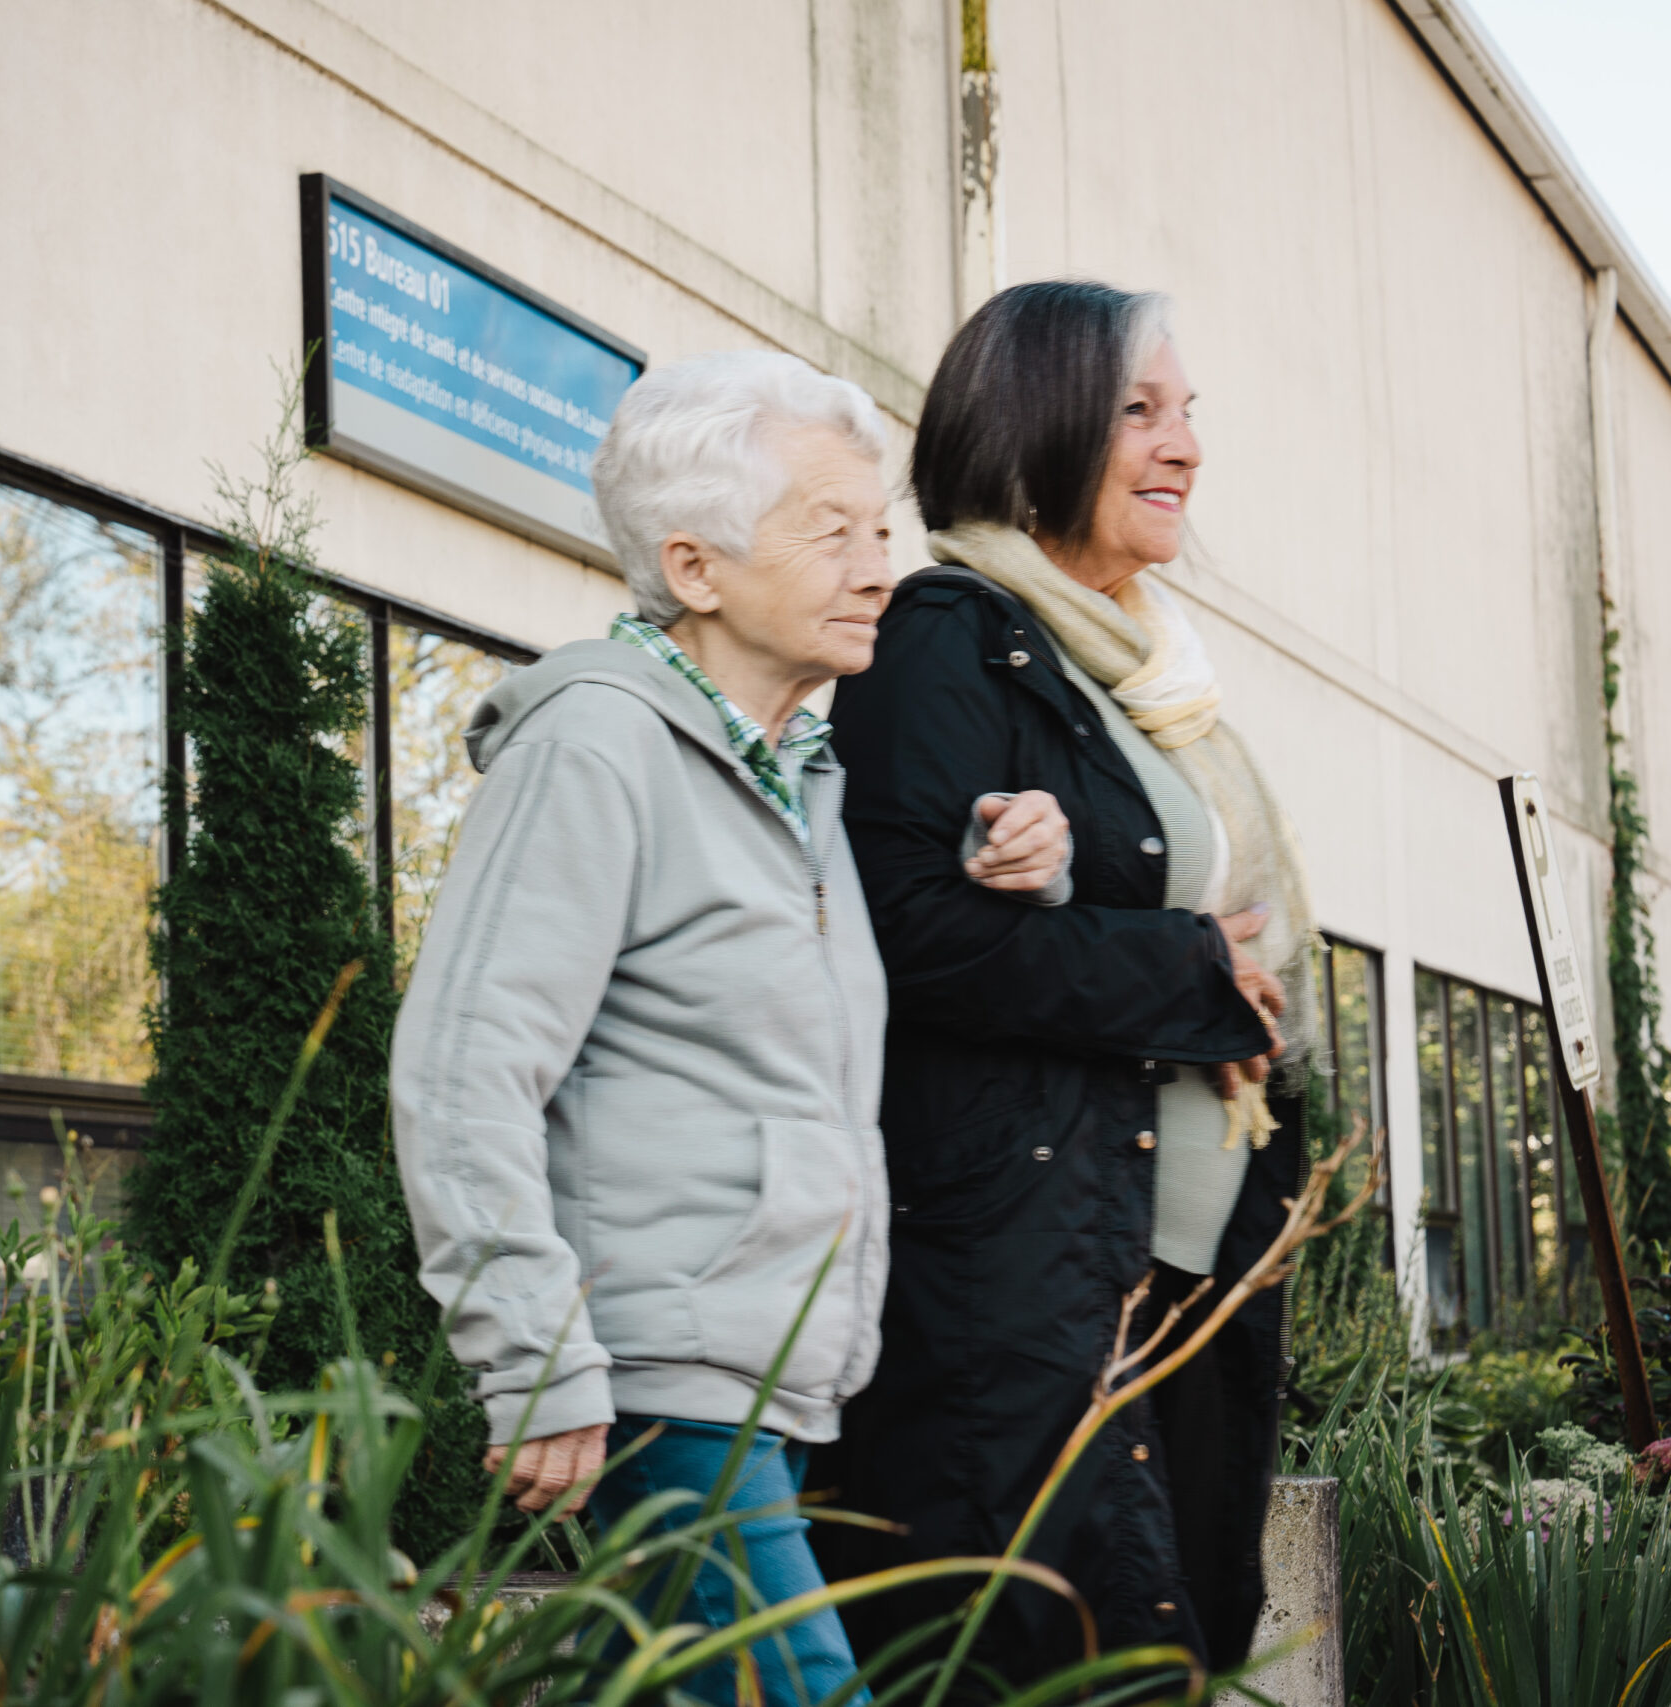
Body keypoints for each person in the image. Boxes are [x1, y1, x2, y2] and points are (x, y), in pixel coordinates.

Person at [389, 349, 1070, 1706]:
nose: (881, 567)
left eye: (881, 529)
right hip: (662, 1381)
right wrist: (533, 1357)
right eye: (836, 533)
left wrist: (1015, 855)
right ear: (695, 567)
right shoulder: (598, 746)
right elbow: (465, 1065)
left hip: (773, 1382)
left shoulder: (795, 777)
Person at [811, 280, 1318, 1685]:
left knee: (1183, 1630)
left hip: (1177, 1247)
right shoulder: (947, 636)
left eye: (1189, 413)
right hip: (1028, 1261)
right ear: (1037, 428)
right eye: (1140, 410)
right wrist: (1197, 967)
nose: (1184, 447)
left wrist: (1223, 986)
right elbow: (917, 936)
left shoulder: (1148, 674)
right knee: (1065, 1654)